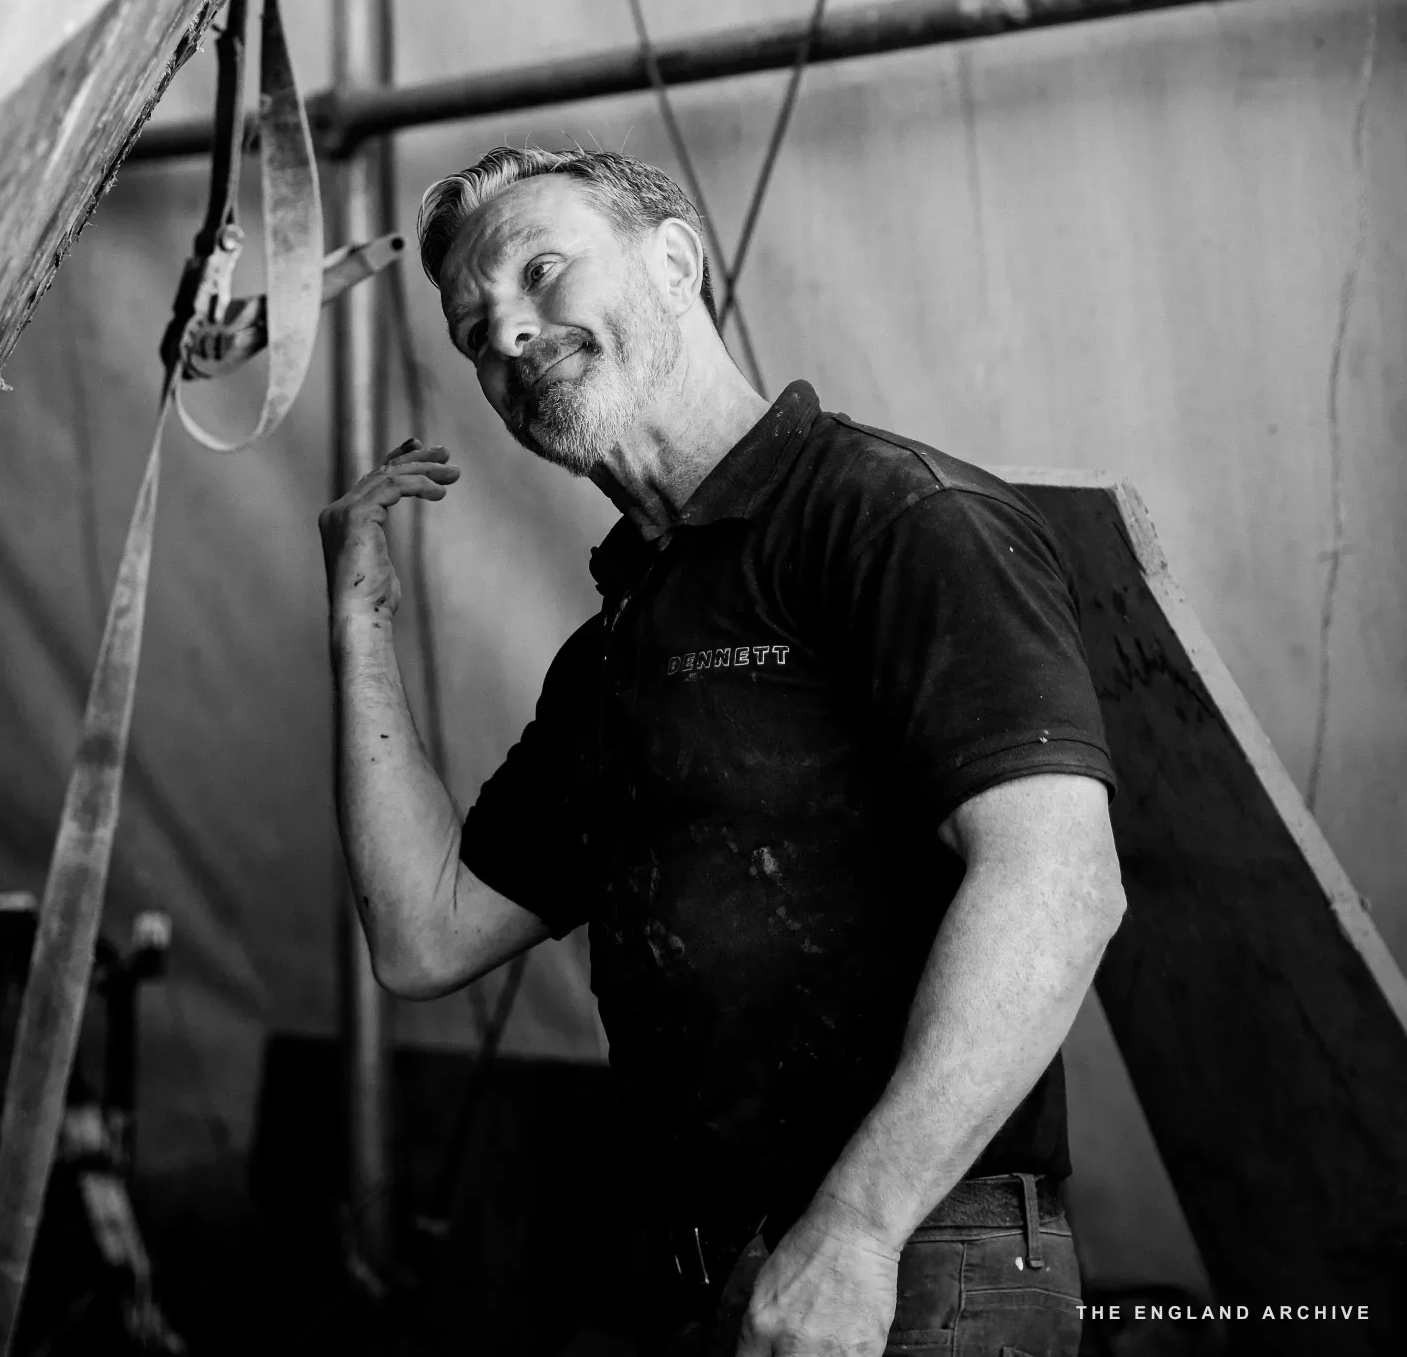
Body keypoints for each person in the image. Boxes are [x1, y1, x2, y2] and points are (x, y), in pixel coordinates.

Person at [319, 147, 1125, 1357]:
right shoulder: (615, 649)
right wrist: (357, 625)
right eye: (477, 331)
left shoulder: (891, 518)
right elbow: (424, 935)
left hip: (921, 1259)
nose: (513, 338)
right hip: (725, 1271)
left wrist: (857, 1230)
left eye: (543, 272)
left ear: (677, 258)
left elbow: (1061, 883)